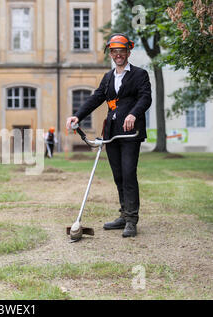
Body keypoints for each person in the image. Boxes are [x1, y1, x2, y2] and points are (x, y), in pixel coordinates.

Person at [66, 33, 152, 237]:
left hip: (131, 133)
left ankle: (132, 219)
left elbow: (145, 98)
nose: (118, 55)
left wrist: (133, 113)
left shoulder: (140, 75)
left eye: (121, 51)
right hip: (111, 133)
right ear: (111, 54)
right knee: (119, 175)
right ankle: (124, 214)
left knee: (129, 173)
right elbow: (95, 99)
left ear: (128, 52)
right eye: (114, 51)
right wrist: (77, 116)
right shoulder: (108, 78)